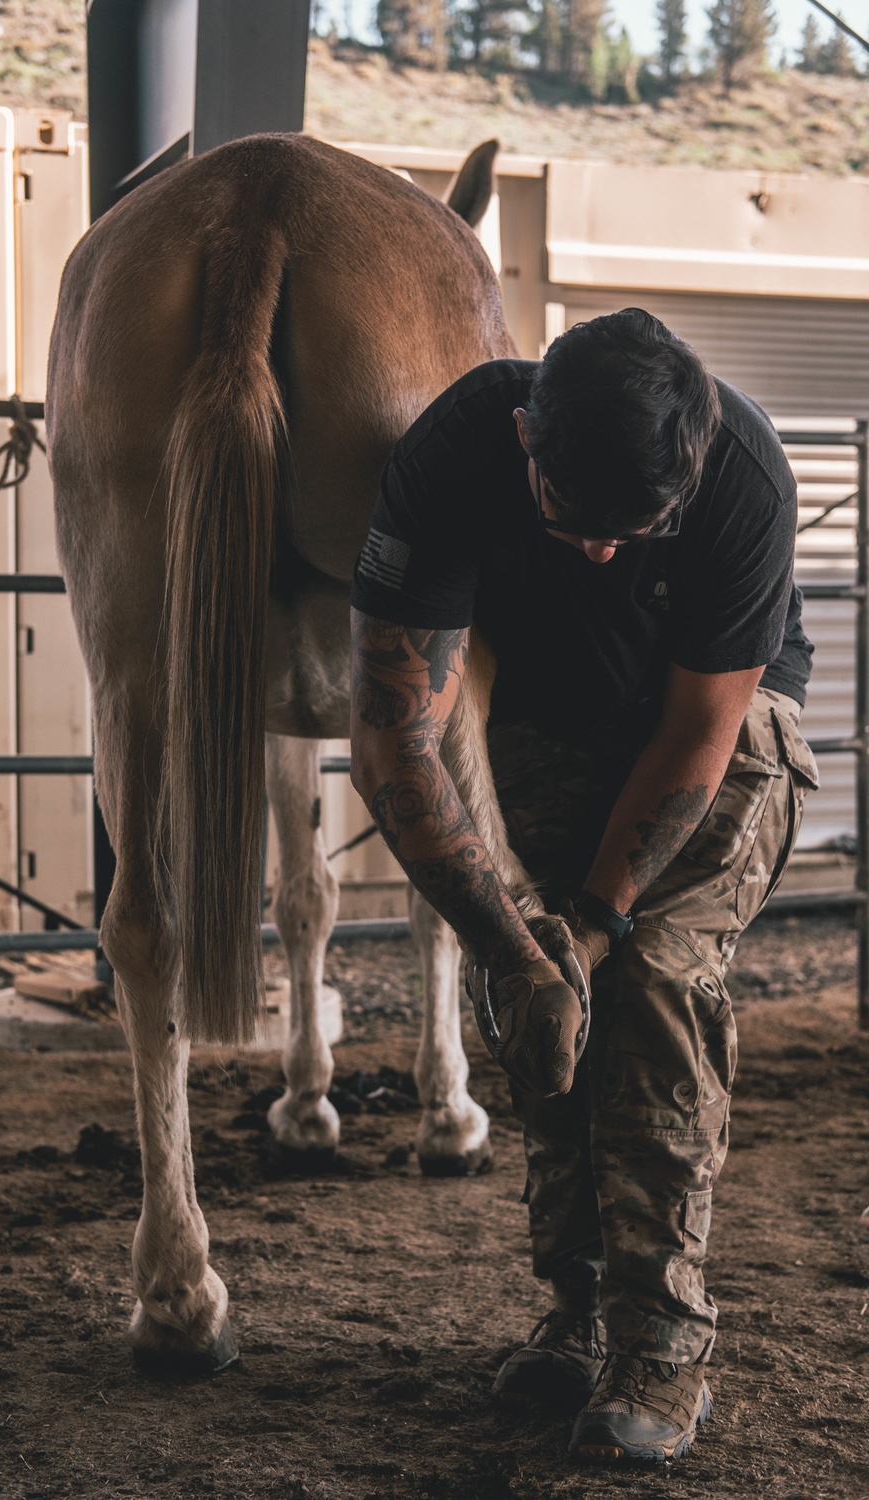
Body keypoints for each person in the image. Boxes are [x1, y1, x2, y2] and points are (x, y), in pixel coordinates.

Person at [348, 309, 819, 1464]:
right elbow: (395, 740)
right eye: (574, 521)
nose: (604, 554)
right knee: (542, 991)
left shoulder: (744, 478)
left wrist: (602, 925)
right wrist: (520, 951)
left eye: (634, 531)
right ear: (525, 441)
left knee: (650, 976)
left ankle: (661, 1336)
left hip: (714, 737)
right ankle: (577, 1303)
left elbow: (694, 739)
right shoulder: (455, 457)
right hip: (550, 729)